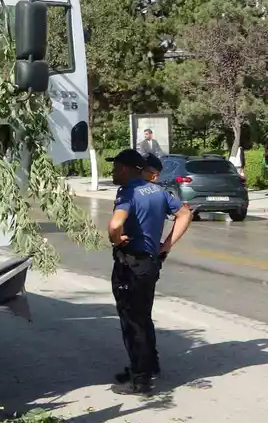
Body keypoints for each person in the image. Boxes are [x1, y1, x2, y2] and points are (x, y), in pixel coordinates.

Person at [106, 149, 192, 395]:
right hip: (151, 263)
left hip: (131, 265)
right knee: (143, 316)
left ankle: (140, 379)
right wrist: (166, 245)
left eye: (115, 168)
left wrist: (115, 238)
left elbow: (115, 224)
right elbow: (184, 214)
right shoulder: (159, 191)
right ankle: (148, 365)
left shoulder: (128, 193)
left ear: (124, 169)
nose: (112, 172)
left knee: (132, 321)